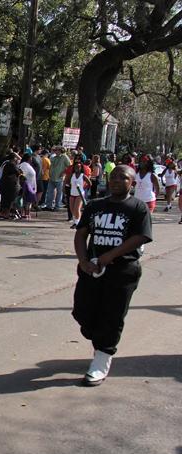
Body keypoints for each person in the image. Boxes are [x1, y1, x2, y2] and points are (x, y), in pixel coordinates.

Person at [72, 165, 152, 386]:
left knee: (112, 317)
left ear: (132, 184)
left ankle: (101, 361)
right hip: (92, 270)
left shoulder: (138, 208)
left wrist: (110, 257)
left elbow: (140, 237)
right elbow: (81, 234)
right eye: (113, 177)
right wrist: (84, 261)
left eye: (123, 178)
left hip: (122, 272)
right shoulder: (96, 206)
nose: (116, 180)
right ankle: (99, 338)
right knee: (83, 313)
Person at [46, 146, 71, 211]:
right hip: (52, 177)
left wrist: (64, 173)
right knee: (50, 192)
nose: (55, 151)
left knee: (59, 193)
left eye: (56, 150)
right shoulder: (54, 157)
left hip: (60, 179)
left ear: (60, 151)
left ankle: (57, 206)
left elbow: (69, 166)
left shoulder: (64, 157)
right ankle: (49, 205)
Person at [0, 153, 21, 220]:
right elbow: (17, 173)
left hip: (3, 183)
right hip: (10, 185)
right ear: (14, 158)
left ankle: (3, 213)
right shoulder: (13, 165)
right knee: (9, 200)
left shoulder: (6, 165)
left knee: (4, 200)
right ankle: (7, 214)